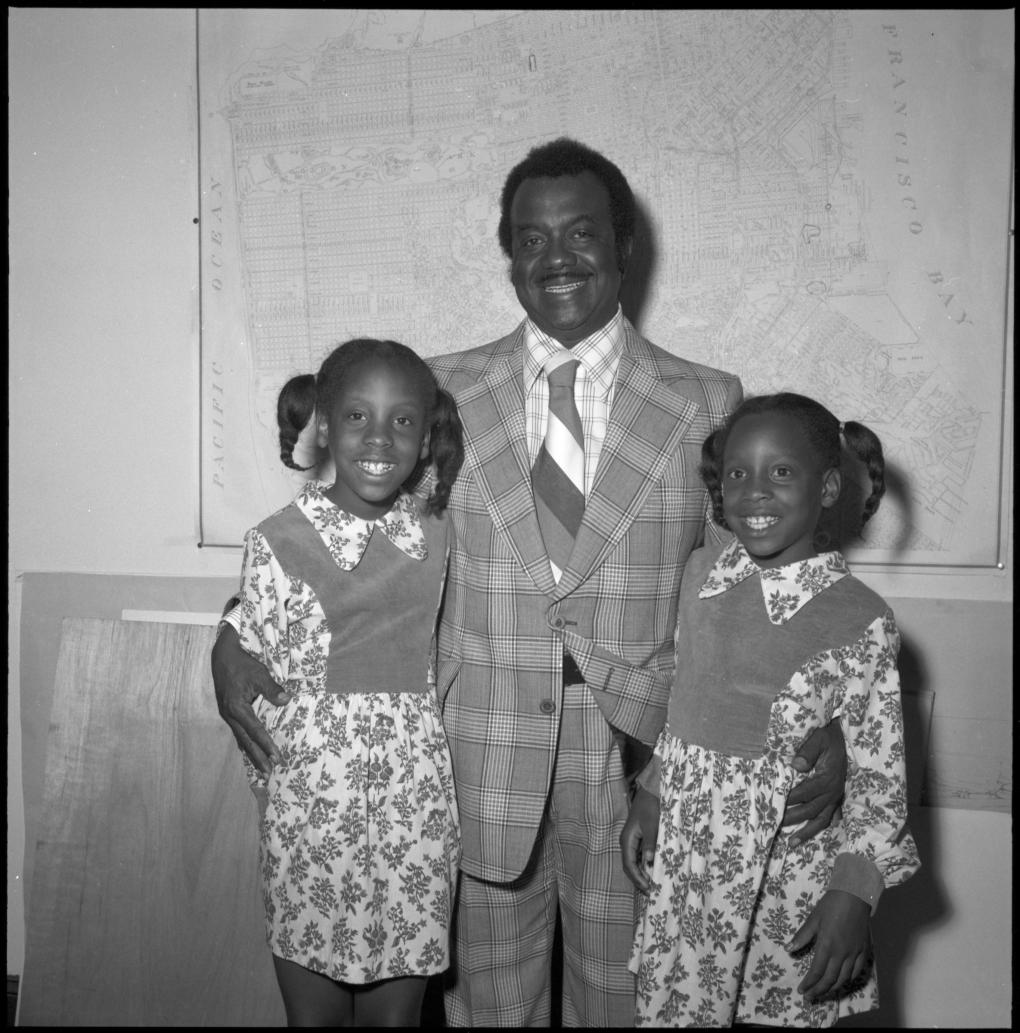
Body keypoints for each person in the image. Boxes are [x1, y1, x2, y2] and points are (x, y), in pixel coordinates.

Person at [213, 138, 847, 1027]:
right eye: (531, 237)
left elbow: (748, 589)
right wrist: (234, 629)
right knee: (487, 1009)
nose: (557, 257)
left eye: (582, 232)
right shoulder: (436, 392)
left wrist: (825, 714)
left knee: (631, 1003)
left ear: (626, 245)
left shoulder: (705, 401)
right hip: (469, 755)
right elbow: (344, 541)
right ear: (509, 254)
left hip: (645, 760)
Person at [622, 392, 921, 1027]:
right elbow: (688, 698)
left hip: (787, 873)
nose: (755, 491)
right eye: (738, 473)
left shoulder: (861, 618)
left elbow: (878, 776)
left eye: (781, 472)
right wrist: (651, 790)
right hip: (694, 862)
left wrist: (853, 895)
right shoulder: (703, 574)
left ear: (830, 486)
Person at [225, 338, 465, 1027]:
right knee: (316, 1020)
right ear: (325, 426)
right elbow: (258, 694)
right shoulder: (275, 540)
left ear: (425, 438)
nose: (380, 438)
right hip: (312, 814)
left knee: (397, 1018)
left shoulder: (439, 538)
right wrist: (293, 799)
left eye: (402, 420)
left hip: (413, 809)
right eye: (358, 417)